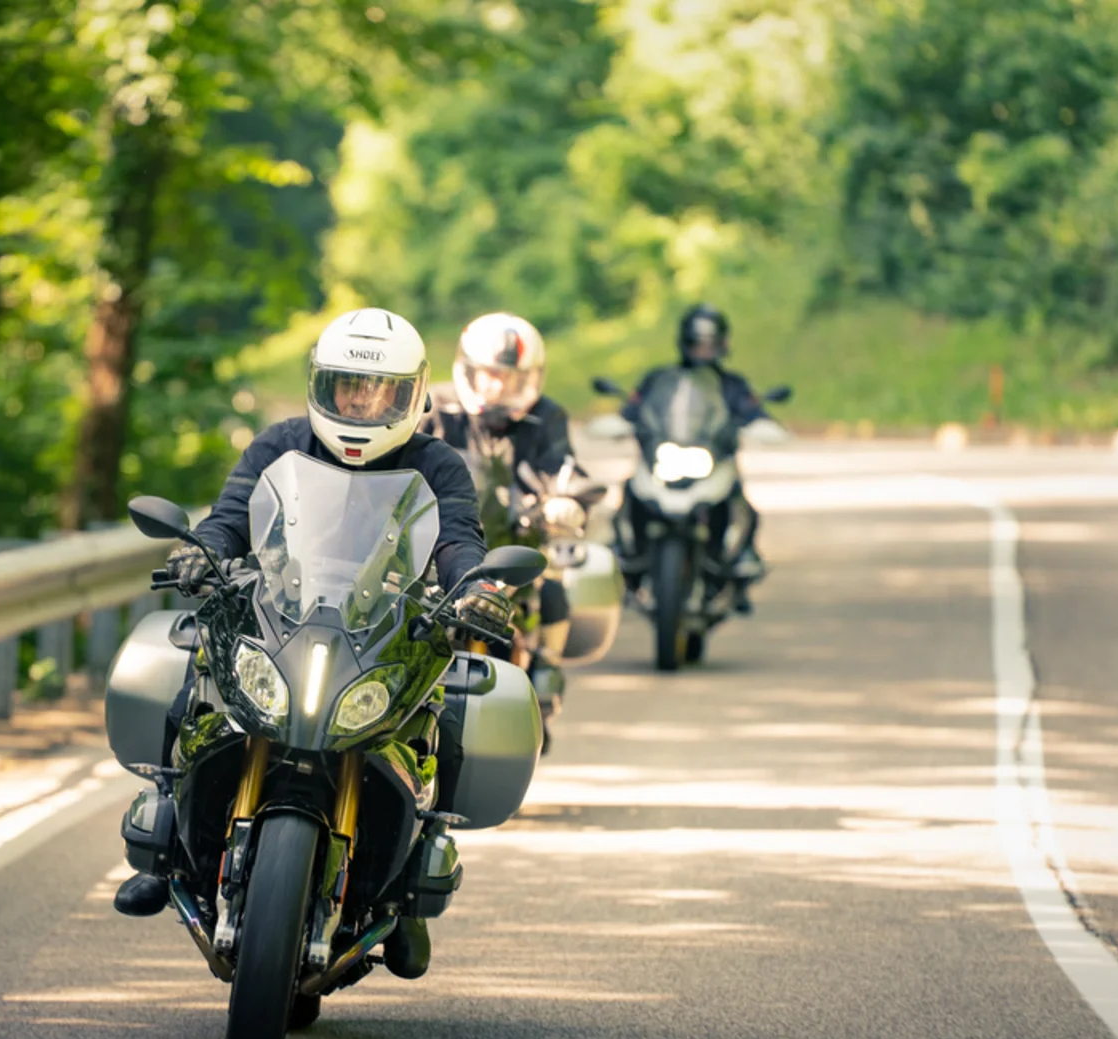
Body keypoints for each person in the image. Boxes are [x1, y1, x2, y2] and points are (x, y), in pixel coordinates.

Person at [114, 308, 514, 932]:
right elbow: (231, 516)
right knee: (197, 667)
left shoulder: (439, 465)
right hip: (284, 615)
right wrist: (203, 551)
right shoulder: (279, 443)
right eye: (346, 387)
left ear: (414, 393)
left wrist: (475, 585)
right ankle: (168, 843)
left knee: (439, 713)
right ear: (319, 385)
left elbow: (458, 538)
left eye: (379, 391)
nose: (360, 405)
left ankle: (410, 874)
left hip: (379, 628)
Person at [422, 313, 583, 743]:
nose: (497, 386)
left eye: (509, 378)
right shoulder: (436, 408)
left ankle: (544, 667)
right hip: (437, 547)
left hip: (513, 542)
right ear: (469, 370)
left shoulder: (545, 418)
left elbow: (562, 468)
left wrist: (565, 499)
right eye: (490, 375)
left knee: (551, 585)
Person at [622, 303, 773, 612]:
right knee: (630, 490)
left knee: (739, 502)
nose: (703, 351)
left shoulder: (732, 385)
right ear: (685, 343)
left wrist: (760, 422)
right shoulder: (660, 379)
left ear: (722, 345)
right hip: (665, 457)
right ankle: (629, 557)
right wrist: (623, 420)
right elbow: (635, 408)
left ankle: (738, 561)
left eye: (710, 345)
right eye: (697, 344)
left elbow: (753, 410)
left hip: (712, 462)